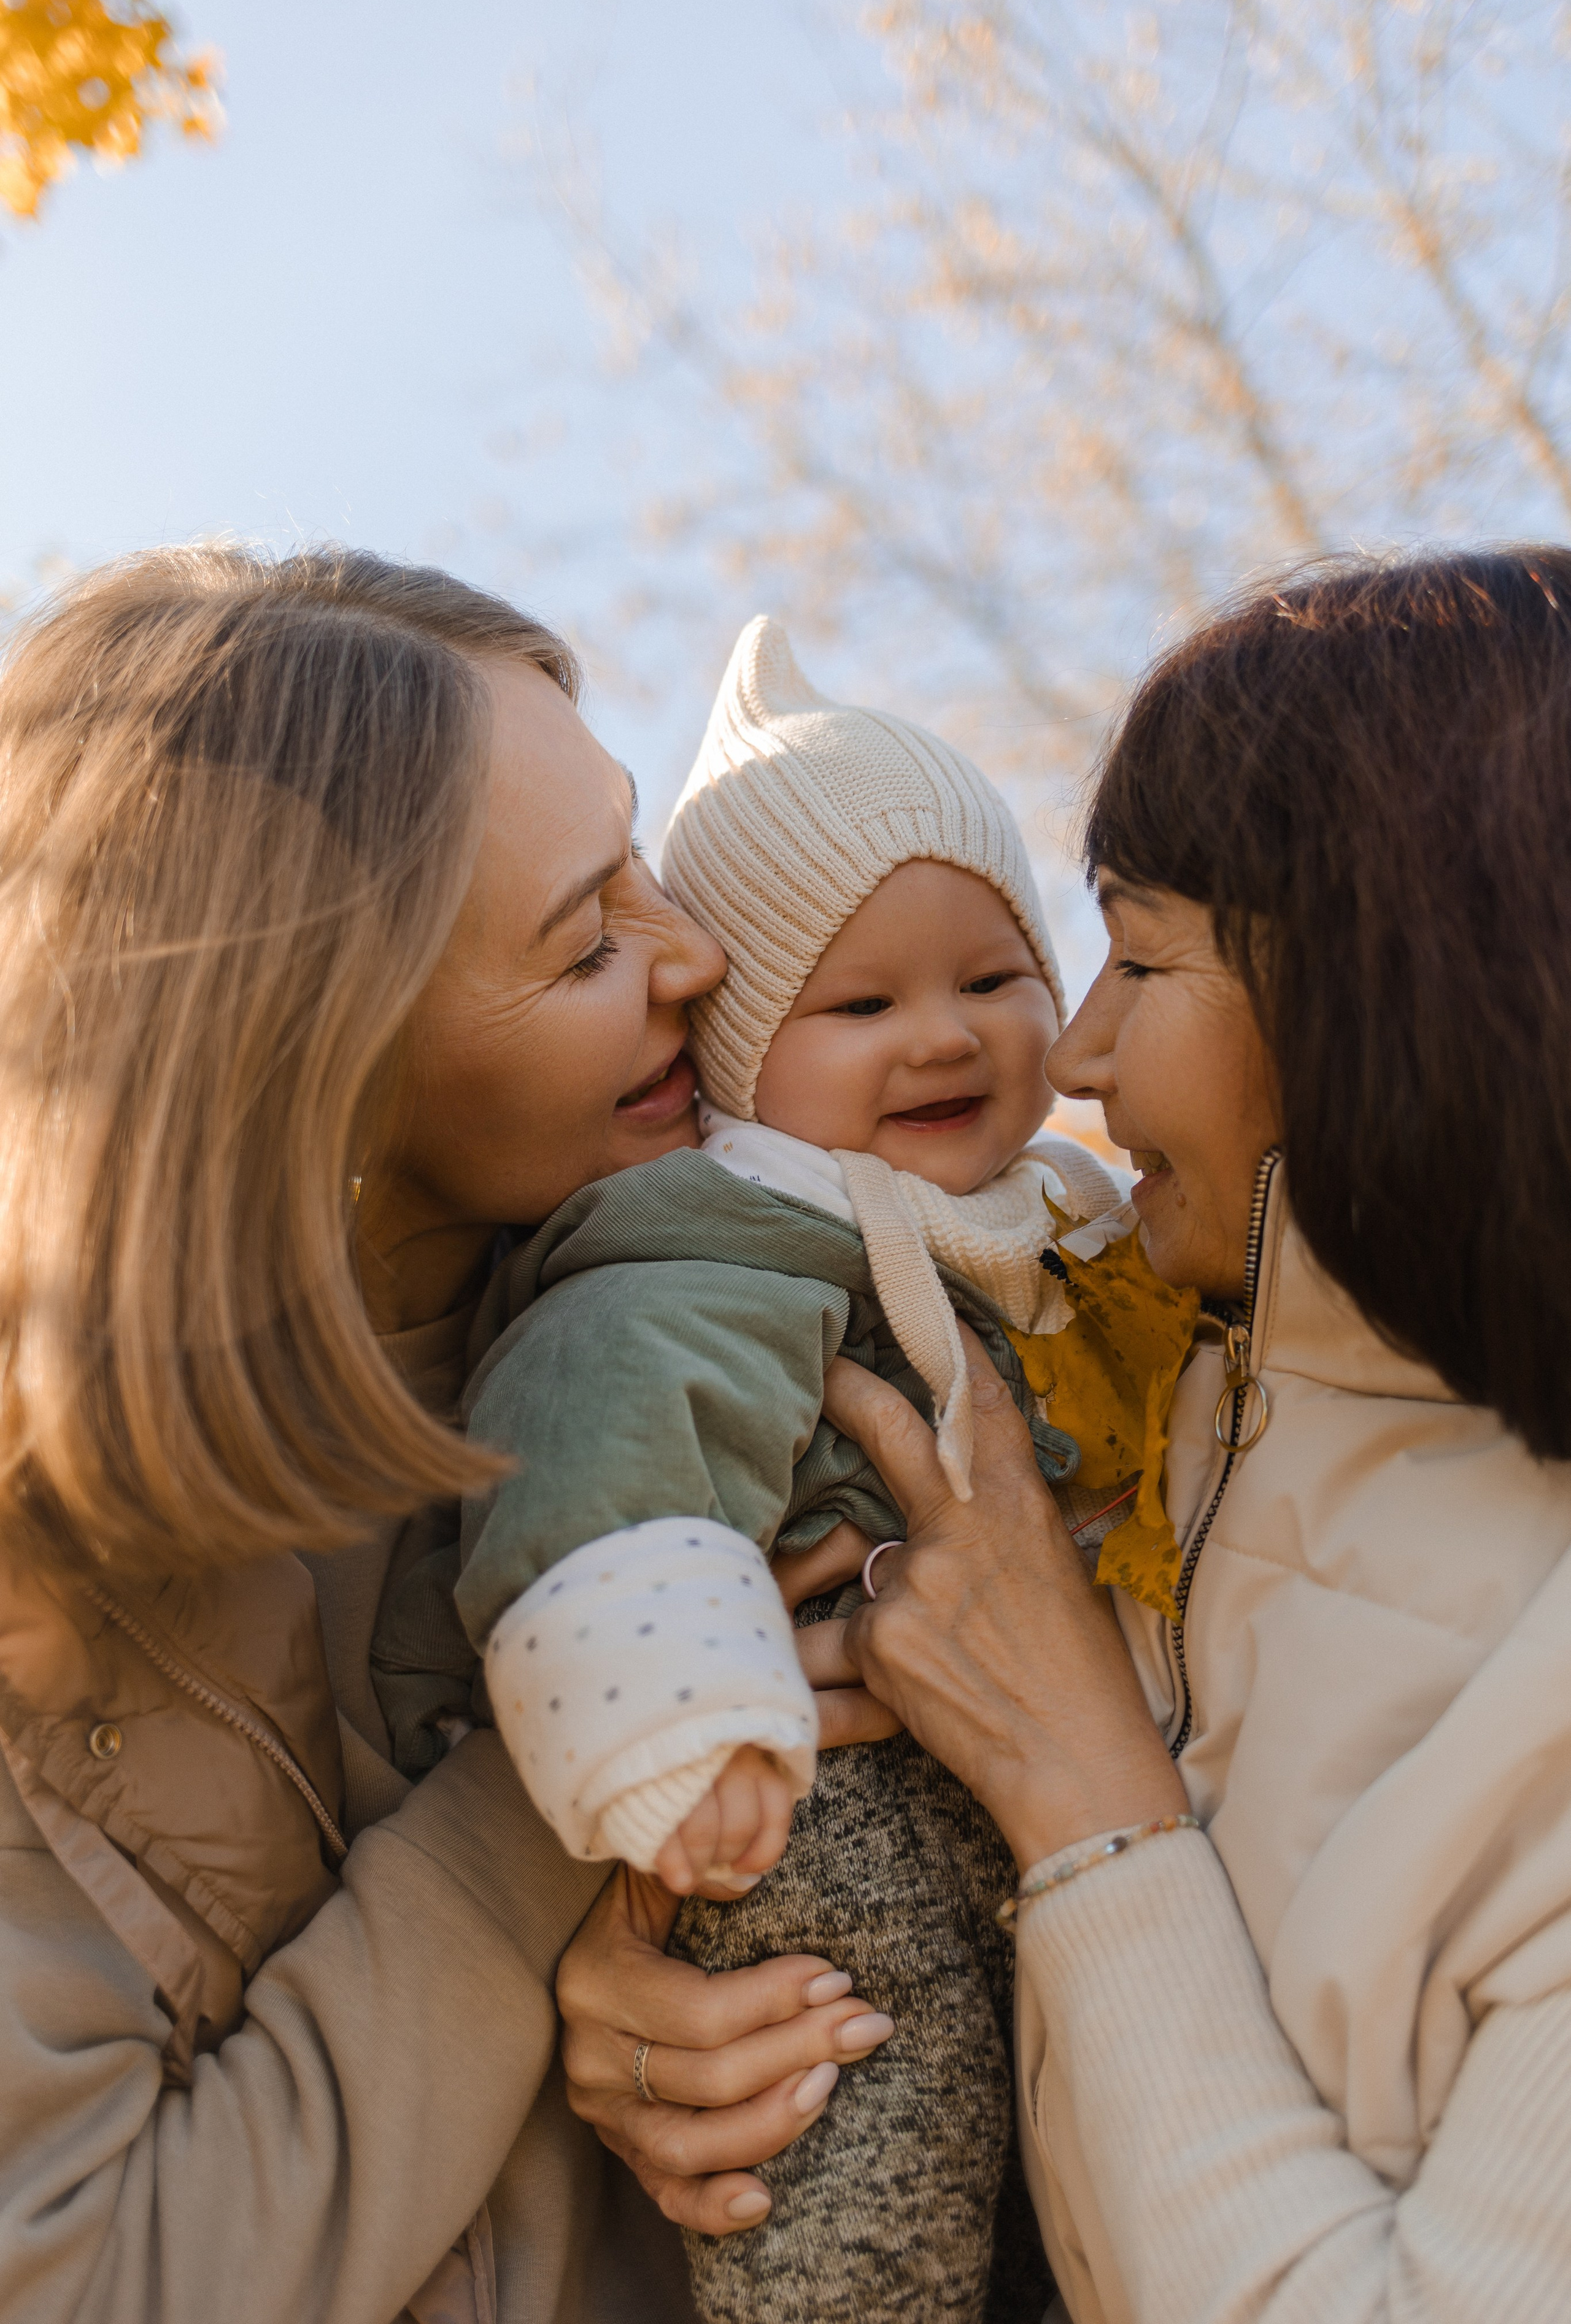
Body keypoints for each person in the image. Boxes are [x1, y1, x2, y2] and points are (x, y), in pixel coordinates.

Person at [558, 546, 1571, 2322]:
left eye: (1140, 959)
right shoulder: (1166, 1379)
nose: (1077, 1054)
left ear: (1385, 975)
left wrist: (1085, 1797)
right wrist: (640, 1980)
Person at [0, 544, 897, 2323]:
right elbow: (92, 2275)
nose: (694, 954)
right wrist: (547, 1838)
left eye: (637, 855)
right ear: (312, 1055)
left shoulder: (758, 1287)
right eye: (585, 941)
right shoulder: (47, 1609)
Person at [379, 615, 1190, 2323]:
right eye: (863, 1003)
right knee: (852, 2085)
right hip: (816, 1798)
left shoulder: (1082, 1222)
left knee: (1073, 2150)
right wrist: (673, 1717)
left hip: (1054, 1791)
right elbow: (611, 1445)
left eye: (993, 980)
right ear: (743, 1049)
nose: (947, 1037)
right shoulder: (723, 1245)